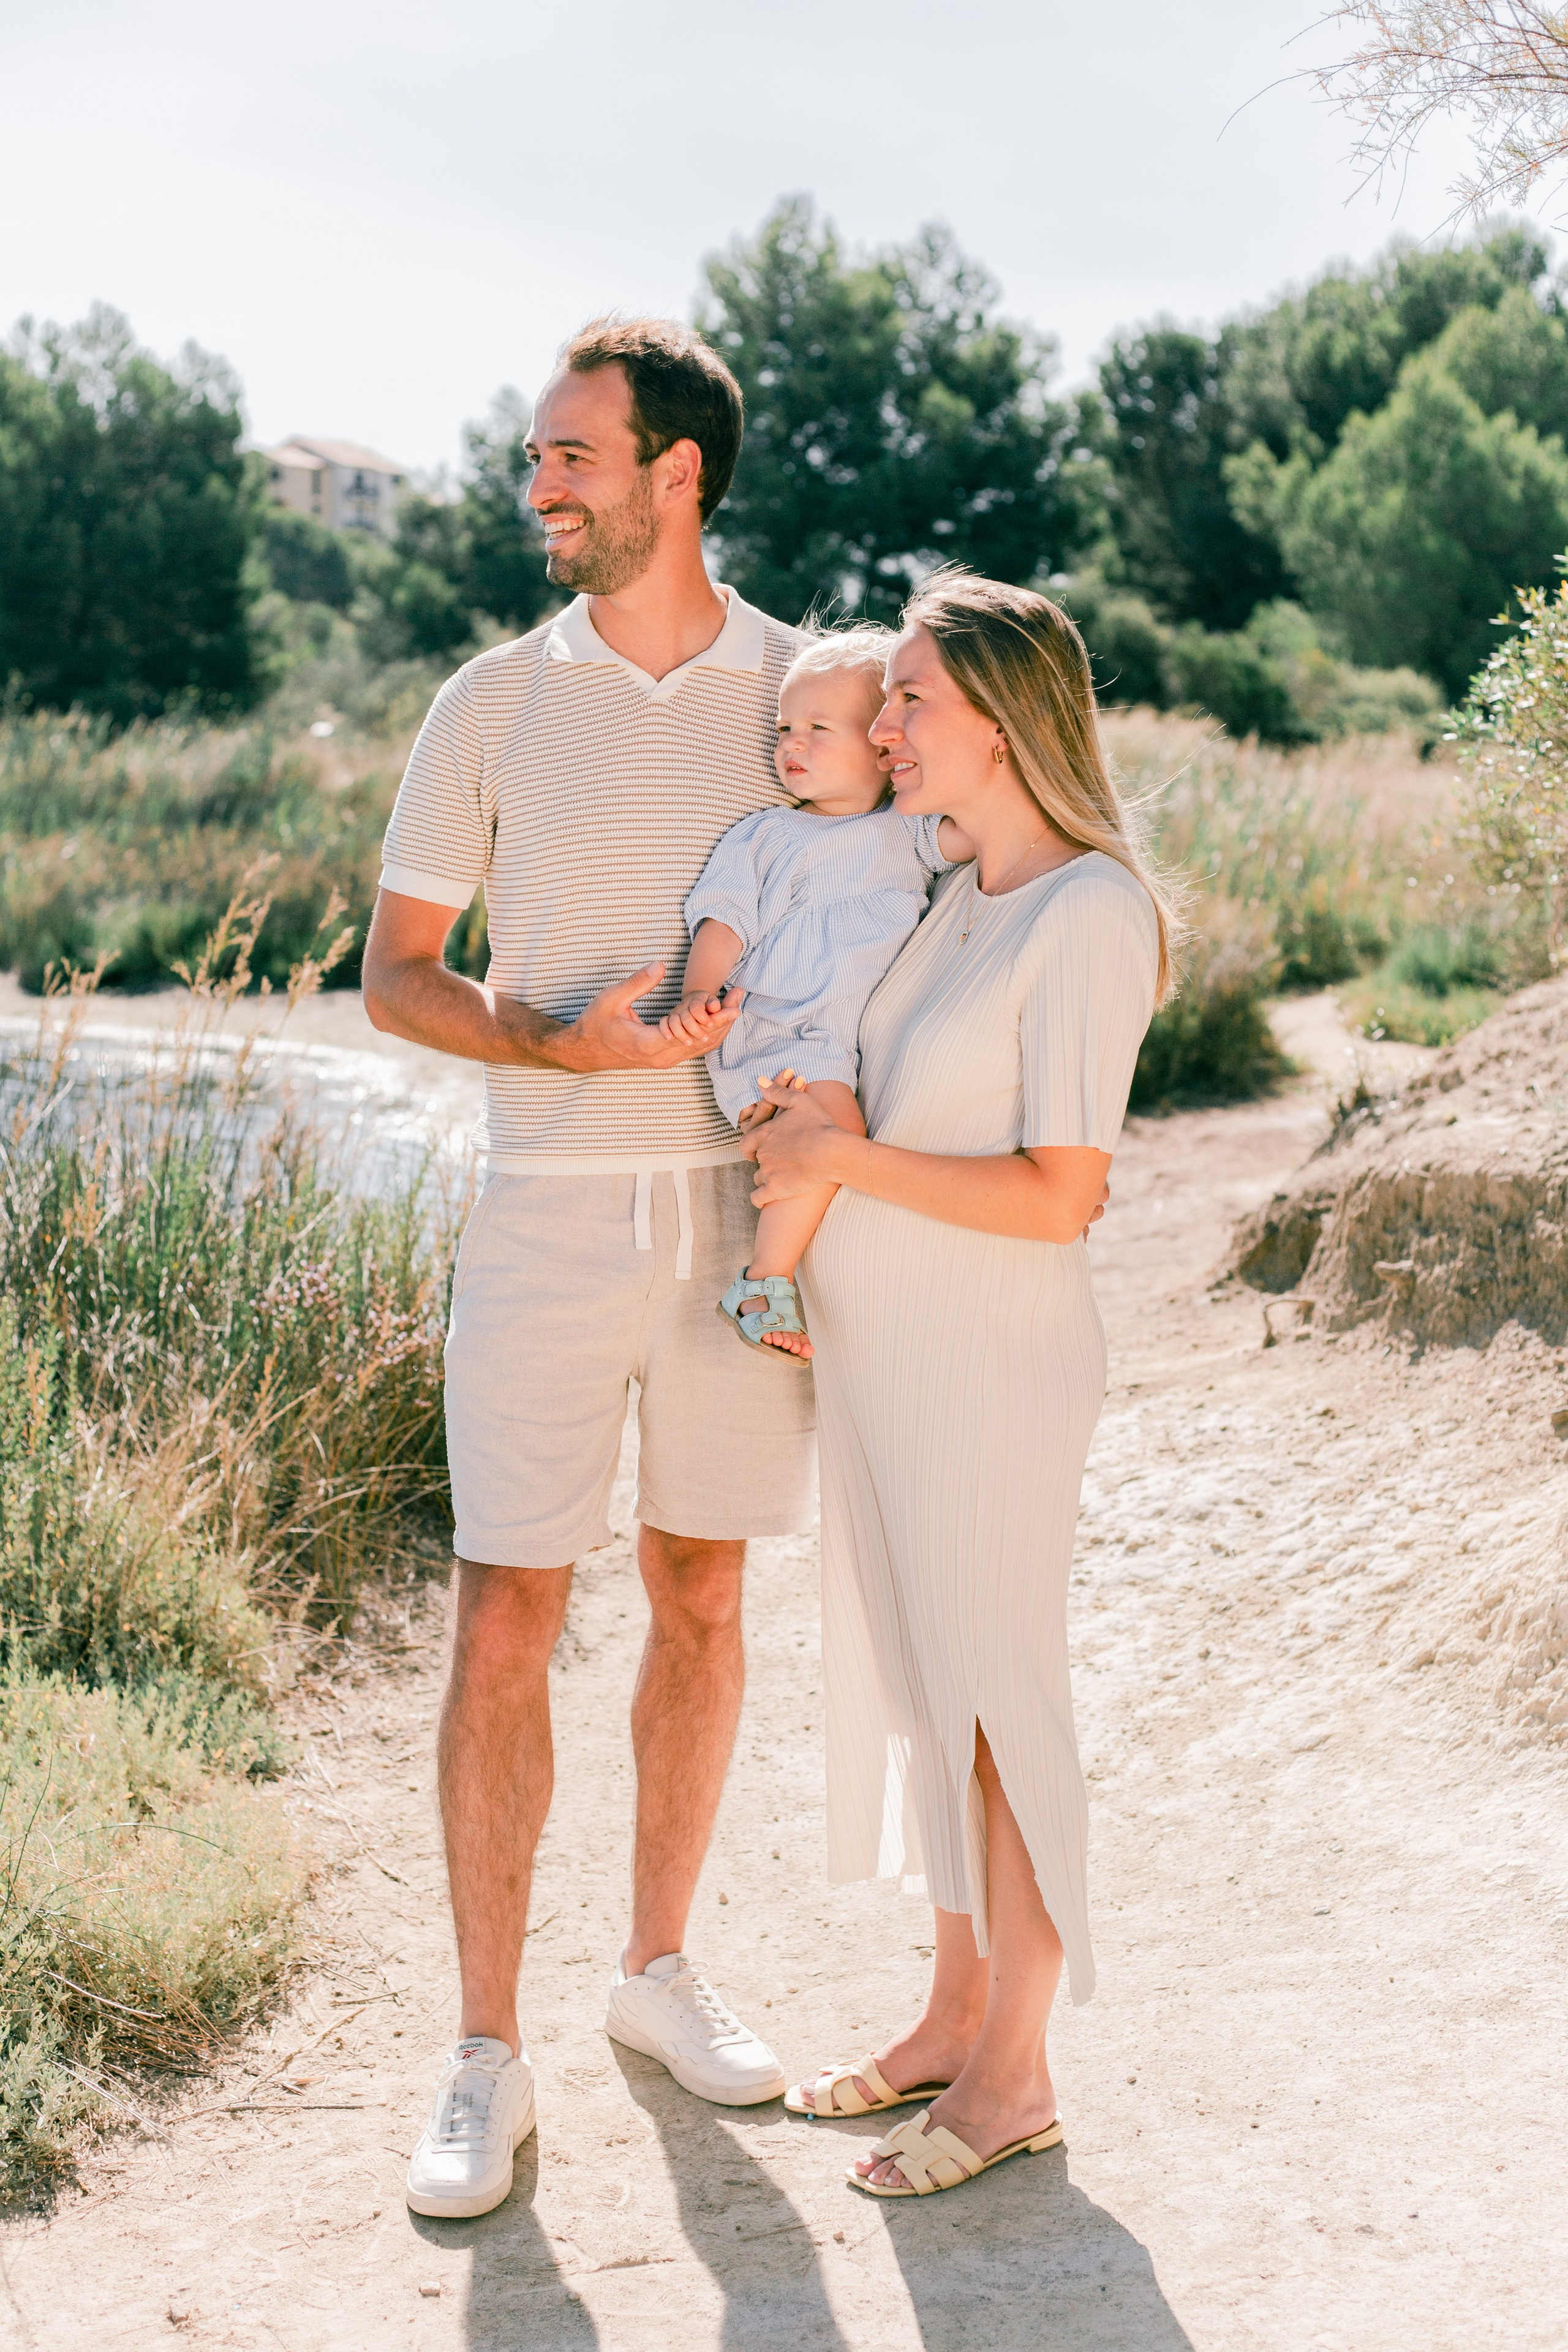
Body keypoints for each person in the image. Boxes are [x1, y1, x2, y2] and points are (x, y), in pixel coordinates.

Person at [362, 317, 816, 2222]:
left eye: (569, 453)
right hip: (543, 1214)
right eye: (536, 453)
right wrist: (563, 1042)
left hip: (738, 1222)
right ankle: (484, 2051)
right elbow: (396, 977)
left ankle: (654, 1970)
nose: (536, 482)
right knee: (506, 1618)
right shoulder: (487, 701)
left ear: (673, 474)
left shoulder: (806, 690)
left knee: (702, 1591)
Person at [751, 570, 1176, 2199]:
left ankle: (1015, 2077)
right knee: (934, 1703)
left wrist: (837, 1159)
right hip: (884, 1359)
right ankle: (950, 2015)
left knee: (1000, 1706)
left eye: (911, 698)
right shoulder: (954, 893)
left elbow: (1062, 1194)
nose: (882, 726)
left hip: (990, 1367)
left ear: (1001, 719)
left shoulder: (1088, 913)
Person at [658, 626, 972, 1359]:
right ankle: (762, 1283)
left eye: (818, 729)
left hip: (834, 1039)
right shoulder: (766, 836)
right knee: (833, 1137)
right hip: (771, 1029)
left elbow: (984, 830)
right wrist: (697, 993)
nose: (791, 743)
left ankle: (782, 1280)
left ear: (882, 742)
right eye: (783, 729)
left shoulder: (907, 831)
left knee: (833, 1146)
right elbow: (724, 920)